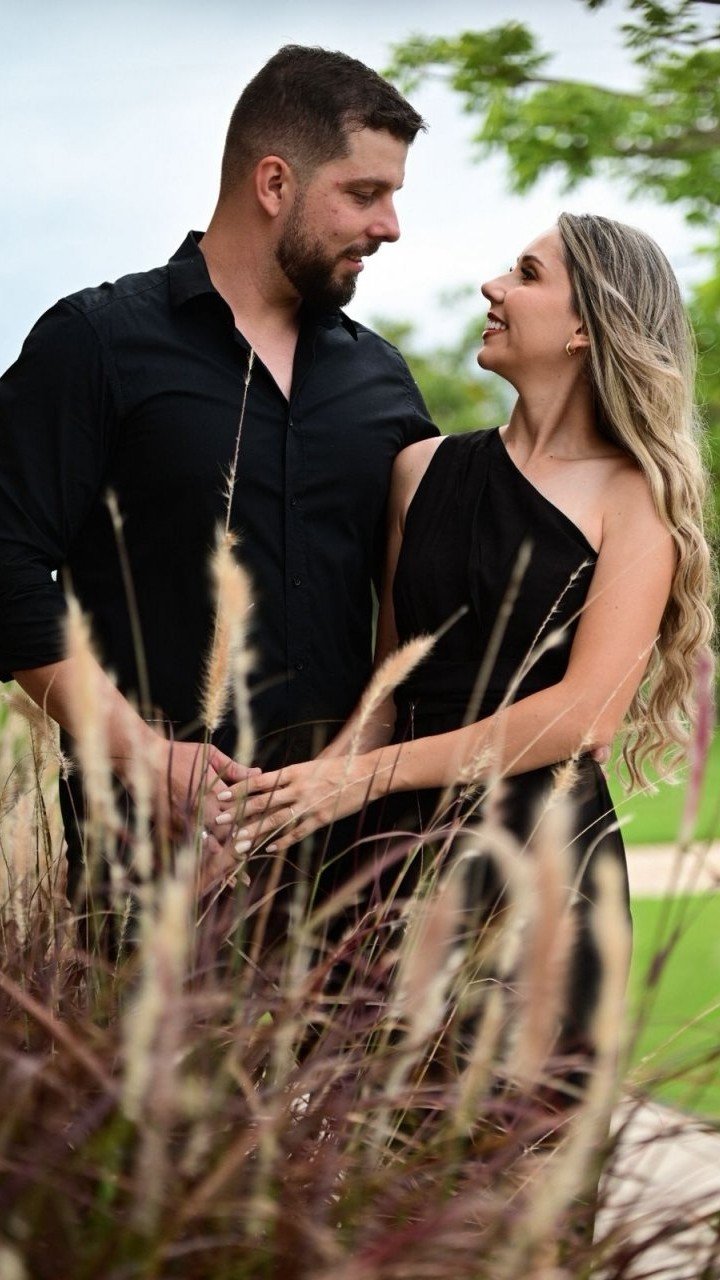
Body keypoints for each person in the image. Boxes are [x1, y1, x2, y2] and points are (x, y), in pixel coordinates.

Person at [227, 212, 714, 1043]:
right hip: (388, 850)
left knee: (517, 1118)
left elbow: (585, 715)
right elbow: (388, 692)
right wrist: (293, 801)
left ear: (585, 328)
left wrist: (367, 776)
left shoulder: (636, 497)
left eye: (526, 274)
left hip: (540, 860)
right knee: (367, 1110)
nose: (493, 287)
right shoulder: (419, 471)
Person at [0, 46, 438, 905]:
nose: (389, 226)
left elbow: (417, 592)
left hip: (356, 877)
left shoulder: (383, 380)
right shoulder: (95, 343)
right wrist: (142, 755)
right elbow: (5, 561)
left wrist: (351, 772)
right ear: (274, 183)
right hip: (150, 868)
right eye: (364, 193)